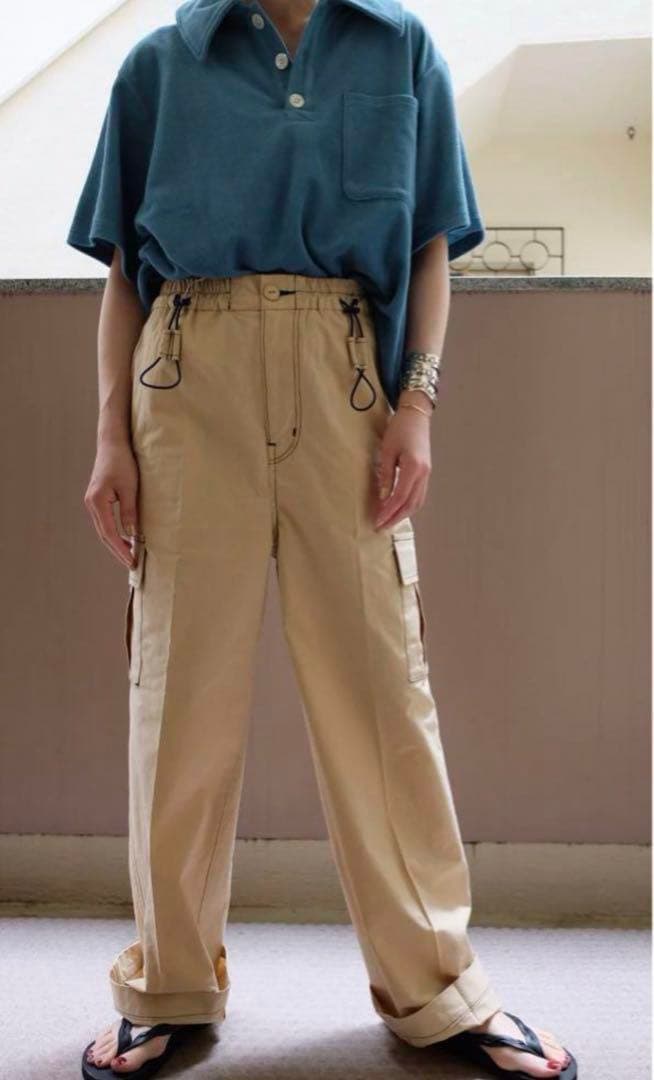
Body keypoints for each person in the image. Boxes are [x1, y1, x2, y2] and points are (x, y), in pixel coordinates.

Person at [67, 1, 578, 1078]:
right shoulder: (162, 63)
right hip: (185, 375)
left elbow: (430, 244)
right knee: (178, 696)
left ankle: (440, 988)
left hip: (346, 381)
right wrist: (111, 435)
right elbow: (121, 275)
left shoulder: (401, 48)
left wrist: (417, 405)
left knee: (384, 692)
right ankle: (168, 984)